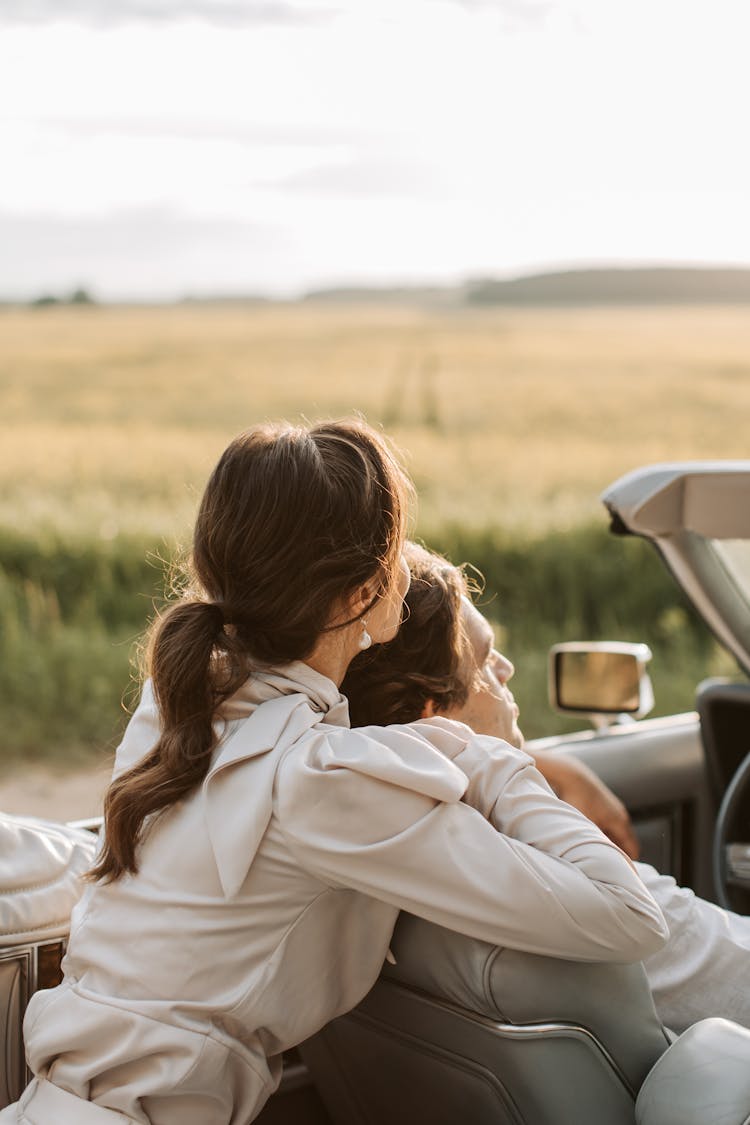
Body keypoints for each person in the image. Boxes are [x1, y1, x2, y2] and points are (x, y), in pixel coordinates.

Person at [1, 421, 667, 1125]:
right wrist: (491, 757)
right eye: (396, 546)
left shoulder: (177, 710)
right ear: (361, 597)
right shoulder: (324, 782)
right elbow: (629, 916)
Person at [342, 542, 750, 1034]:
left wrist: (542, 763)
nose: (507, 669)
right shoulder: (591, 889)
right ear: (434, 712)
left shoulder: (365, 848)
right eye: (487, 657)